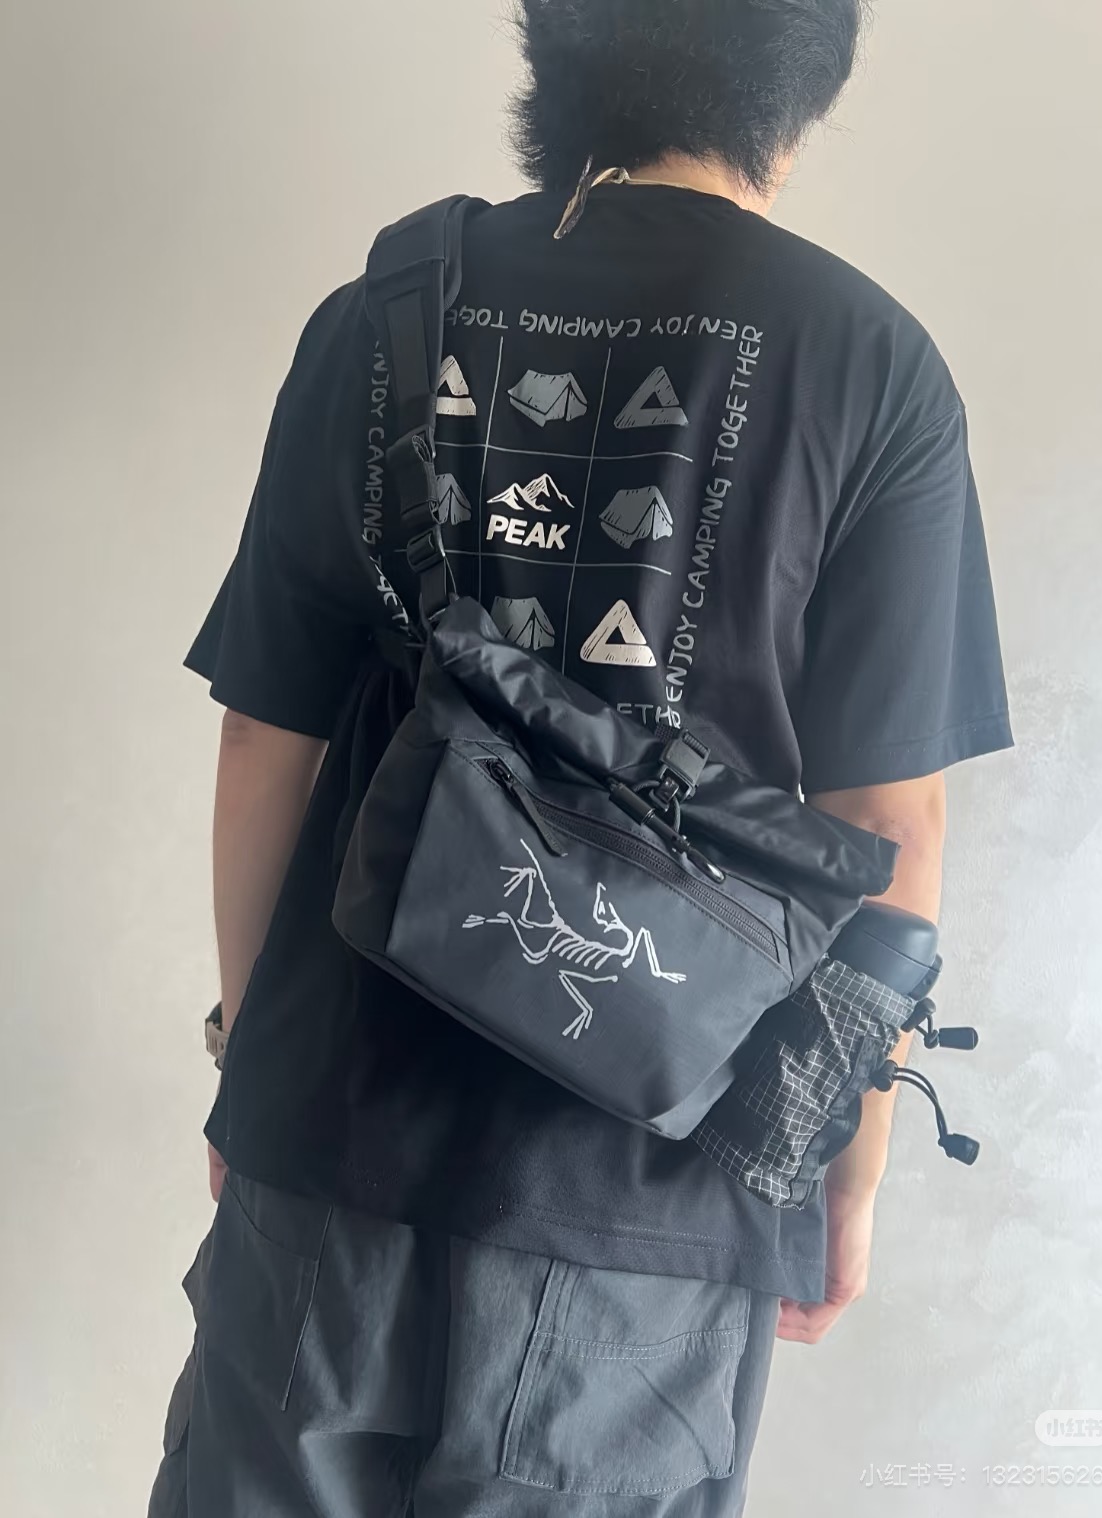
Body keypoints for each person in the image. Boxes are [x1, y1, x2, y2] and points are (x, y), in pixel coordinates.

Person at [149, 3, 1013, 1514]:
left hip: (330, 1143)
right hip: (654, 1201)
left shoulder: (381, 315)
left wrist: (252, 1058)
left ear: (554, 53)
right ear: (803, 91)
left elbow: (261, 735)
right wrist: (841, 1171)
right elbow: (892, 829)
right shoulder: (872, 363)